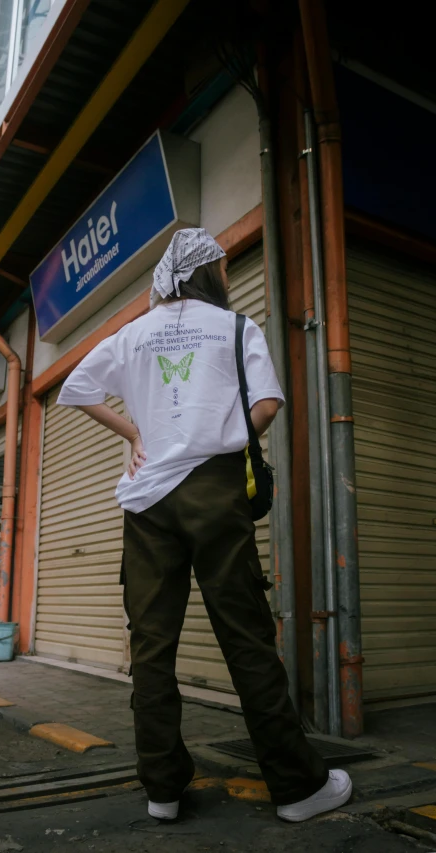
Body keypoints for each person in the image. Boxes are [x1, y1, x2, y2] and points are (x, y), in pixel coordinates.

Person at [57, 228, 352, 823]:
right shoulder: (236, 326)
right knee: (245, 637)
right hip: (215, 493)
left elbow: (75, 388)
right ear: (208, 271)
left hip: (146, 504)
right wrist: (221, 437)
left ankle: (162, 789)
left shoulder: (133, 334)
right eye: (220, 262)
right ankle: (297, 789)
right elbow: (266, 404)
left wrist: (138, 434)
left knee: (152, 646)